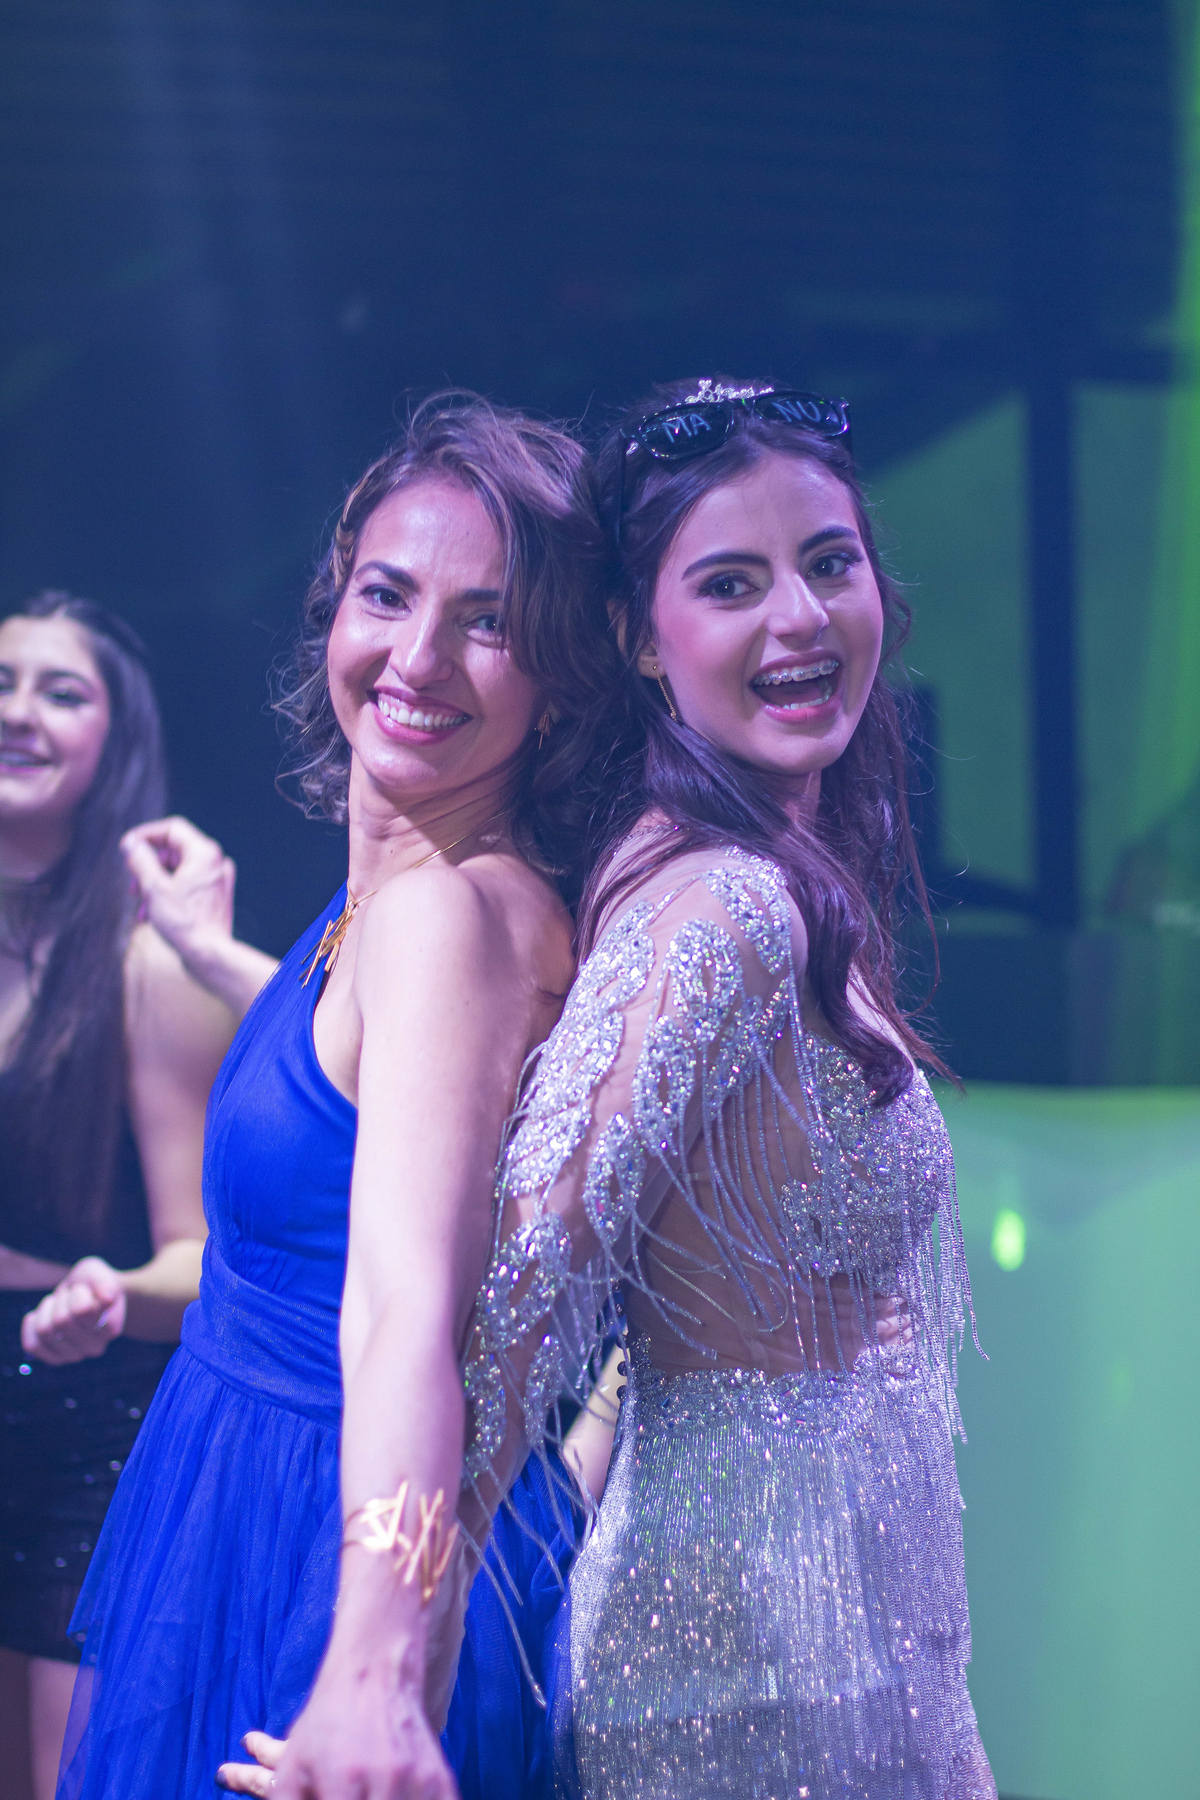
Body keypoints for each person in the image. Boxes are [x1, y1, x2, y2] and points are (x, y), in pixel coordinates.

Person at [57, 394, 613, 1800]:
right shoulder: (418, 899)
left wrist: (373, 1664)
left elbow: (403, 1309)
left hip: (319, 1540)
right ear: (333, 611)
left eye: (489, 623)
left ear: (561, 680)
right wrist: (218, 959)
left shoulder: (444, 917)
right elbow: (368, 1099)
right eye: (387, 594)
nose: (419, 658)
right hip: (269, 1503)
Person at [450, 378, 998, 1798]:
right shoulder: (721, 907)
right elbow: (524, 1281)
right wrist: (386, 1646)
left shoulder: (783, 879)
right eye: (731, 584)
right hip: (740, 1659)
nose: (799, 619)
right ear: (641, 637)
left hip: (855, 1627)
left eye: (828, 563)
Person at [0, 593, 240, 1800]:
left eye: (61, 692)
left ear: (115, 737)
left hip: (80, 1425)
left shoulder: (150, 962)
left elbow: (202, 1254)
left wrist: (107, 1294)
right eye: (1, 683)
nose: (18, 713)